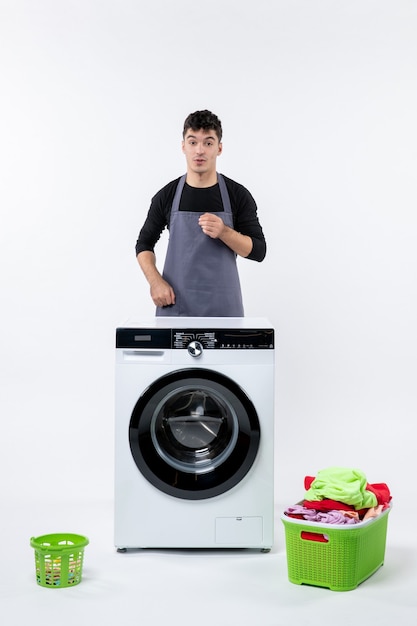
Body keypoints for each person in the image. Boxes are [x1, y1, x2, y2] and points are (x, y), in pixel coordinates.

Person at [135, 110, 266, 317]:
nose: (199, 151)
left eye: (208, 142)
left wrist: (225, 232)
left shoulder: (237, 195)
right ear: (183, 146)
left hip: (224, 313)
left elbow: (259, 251)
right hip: (174, 309)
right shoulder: (167, 195)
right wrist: (155, 282)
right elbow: (144, 244)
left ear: (219, 148)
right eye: (193, 142)